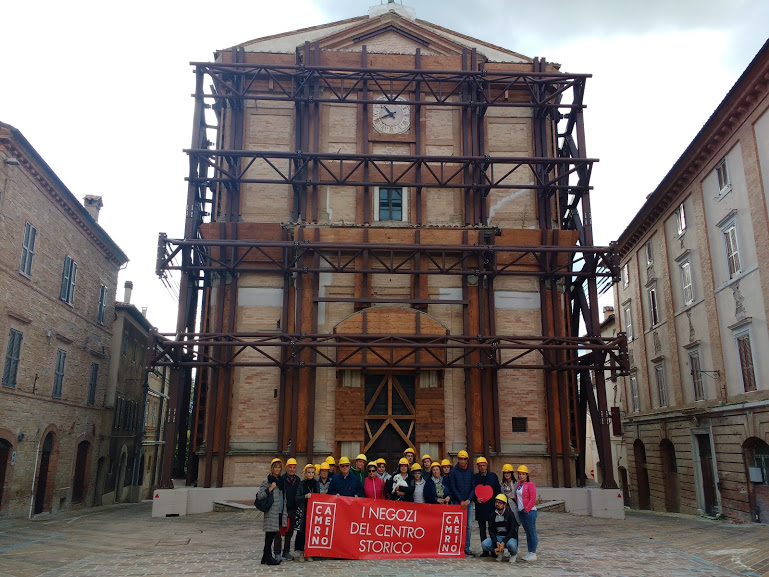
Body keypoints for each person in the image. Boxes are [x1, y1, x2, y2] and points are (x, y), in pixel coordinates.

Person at [256, 458, 287, 565]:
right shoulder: (267, 480)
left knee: (272, 535)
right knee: (270, 535)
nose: (277, 469)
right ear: (272, 468)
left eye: (279, 467)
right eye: (275, 467)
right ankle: (268, 557)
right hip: (271, 511)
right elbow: (260, 495)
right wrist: (270, 489)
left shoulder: (281, 480)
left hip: (279, 510)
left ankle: (265, 557)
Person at [449, 450, 476, 557]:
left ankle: (466, 547)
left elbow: (473, 487)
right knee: (457, 526)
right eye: (461, 459)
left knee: (468, 526)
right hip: (458, 503)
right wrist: (461, 500)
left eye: (464, 459)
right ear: (458, 459)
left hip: (468, 503)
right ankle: (457, 546)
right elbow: (453, 487)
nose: (463, 461)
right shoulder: (453, 472)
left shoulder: (470, 472)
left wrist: (469, 499)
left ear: (467, 460)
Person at [473, 456, 501, 557]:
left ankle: (493, 550)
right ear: (477, 466)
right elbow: (472, 491)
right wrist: (475, 499)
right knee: (482, 530)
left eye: (484, 465)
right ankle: (485, 550)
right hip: (480, 508)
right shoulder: (475, 478)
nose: (482, 467)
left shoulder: (493, 476)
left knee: (492, 530)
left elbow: (497, 490)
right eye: (480, 466)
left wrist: (498, 503)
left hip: (491, 507)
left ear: (487, 465)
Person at [275, 457, 301, 561]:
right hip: (283, 509)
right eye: (290, 467)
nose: (292, 469)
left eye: (294, 467)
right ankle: (277, 552)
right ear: (286, 468)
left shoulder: (297, 480)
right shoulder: (282, 479)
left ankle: (286, 551)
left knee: (290, 532)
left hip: (293, 509)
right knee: (278, 531)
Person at [480, 494, 518, 563]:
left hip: (509, 538)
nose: (497, 504)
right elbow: (491, 530)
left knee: (512, 545)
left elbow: (512, 530)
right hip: (498, 537)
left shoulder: (510, 514)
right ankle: (499, 551)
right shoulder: (493, 515)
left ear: (504, 505)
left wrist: (504, 542)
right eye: (496, 502)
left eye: (500, 503)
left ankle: (513, 554)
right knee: (484, 544)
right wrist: (496, 541)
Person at [294, 464, 319, 562]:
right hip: (303, 511)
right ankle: (301, 552)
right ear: (305, 473)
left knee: (311, 532)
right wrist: (305, 496)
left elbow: (319, 496)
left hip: (313, 511)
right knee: (302, 532)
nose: (311, 474)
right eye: (309, 472)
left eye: (312, 472)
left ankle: (309, 552)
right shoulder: (302, 484)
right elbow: (297, 498)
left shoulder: (316, 484)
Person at [516, 465, 538, 561]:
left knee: (532, 532)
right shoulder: (519, 485)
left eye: (523, 474)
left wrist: (527, 509)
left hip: (529, 511)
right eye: (520, 474)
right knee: (527, 532)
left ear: (527, 475)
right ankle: (529, 551)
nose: (521, 476)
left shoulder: (530, 484)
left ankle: (533, 552)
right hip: (521, 511)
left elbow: (533, 498)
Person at [499, 463, 521, 542]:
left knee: (515, 528)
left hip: (514, 507)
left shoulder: (516, 484)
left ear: (511, 473)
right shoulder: (502, 484)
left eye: (508, 472)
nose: (506, 474)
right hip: (505, 508)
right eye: (505, 473)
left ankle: (515, 546)